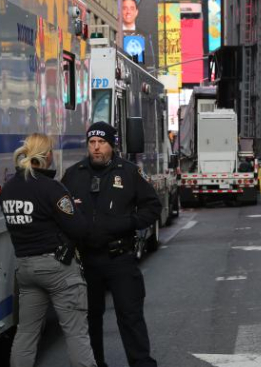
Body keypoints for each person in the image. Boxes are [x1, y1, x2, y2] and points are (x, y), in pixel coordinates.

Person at [62, 122, 162, 367]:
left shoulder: (127, 172)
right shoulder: (73, 175)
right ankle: (96, 363)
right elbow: (60, 213)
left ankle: (141, 363)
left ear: (112, 145)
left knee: (130, 316)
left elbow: (153, 207)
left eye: (102, 143)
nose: (96, 148)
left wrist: (128, 222)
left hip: (120, 258)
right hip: (87, 261)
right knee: (90, 319)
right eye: (92, 143)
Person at [0, 133, 96, 367]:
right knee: (76, 333)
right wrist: (74, 207)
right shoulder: (51, 188)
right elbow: (79, 229)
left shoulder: (9, 189)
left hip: (25, 268)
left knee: (26, 334)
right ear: (46, 155)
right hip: (57, 268)